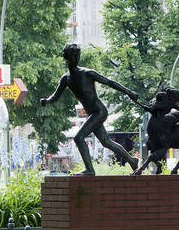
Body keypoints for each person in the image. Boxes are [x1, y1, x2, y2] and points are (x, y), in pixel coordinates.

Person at [40, 43, 139, 176]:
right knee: (106, 142)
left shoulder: (88, 73)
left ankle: (90, 170)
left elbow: (110, 82)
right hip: (92, 113)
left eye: (78, 55)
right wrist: (47, 101)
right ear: (66, 57)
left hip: (99, 111)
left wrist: (129, 92)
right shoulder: (66, 78)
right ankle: (132, 161)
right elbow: (56, 95)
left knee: (78, 137)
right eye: (74, 55)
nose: (77, 58)